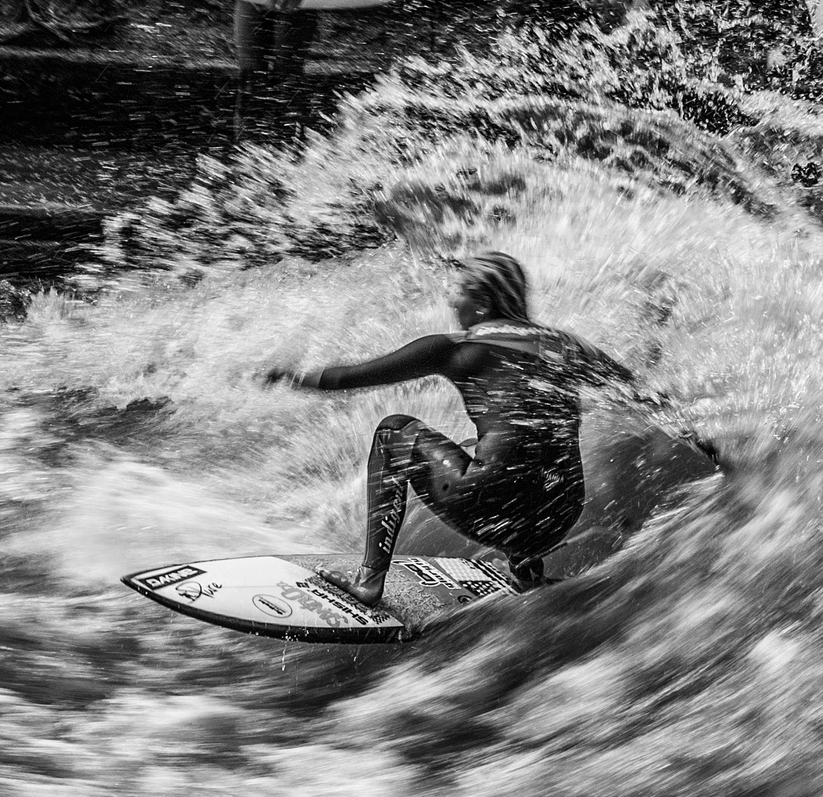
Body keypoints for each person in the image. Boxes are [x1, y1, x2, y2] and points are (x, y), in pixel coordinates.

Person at [261, 252, 651, 605]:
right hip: (560, 516)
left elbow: (350, 378)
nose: (451, 301)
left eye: (458, 293)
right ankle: (528, 571)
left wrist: (293, 377)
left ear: (482, 304)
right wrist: (708, 445)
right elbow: (644, 395)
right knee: (490, 448)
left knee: (393, 433)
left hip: (494, 509)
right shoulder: (566, 346)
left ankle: (369, 579)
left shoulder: (459, 346)